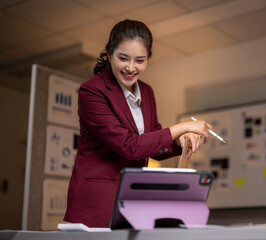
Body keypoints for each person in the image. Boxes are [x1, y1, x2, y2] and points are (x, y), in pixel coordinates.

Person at [64, 19, 213, 227]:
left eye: (140, 61)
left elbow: (153, 142)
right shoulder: (91, 91)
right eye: (123, 58)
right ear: (109, 54)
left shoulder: (147, 91)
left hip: (132, 201)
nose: (131, 68)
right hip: (96, 203)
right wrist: (183, 127)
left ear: (147, 60)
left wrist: (181, 141)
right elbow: (129, 146)